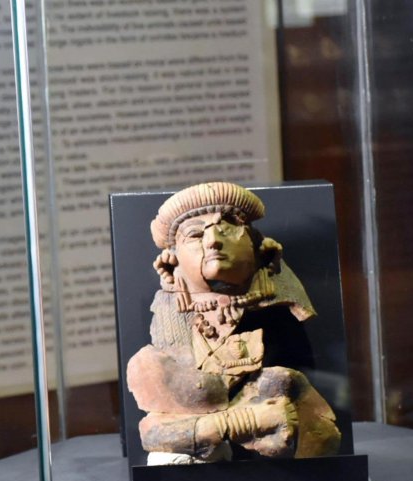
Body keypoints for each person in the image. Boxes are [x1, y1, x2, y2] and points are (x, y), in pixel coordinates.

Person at [126, 182, 341, 465]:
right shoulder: (159, 356)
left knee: (281, 381)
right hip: (216, 426)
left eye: (226, 229)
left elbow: (318, 434)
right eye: (195, 234)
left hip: (281, 447)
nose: (212, 241)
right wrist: (245, 421)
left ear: (261, 249)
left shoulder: (278, 323)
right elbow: (153, 431)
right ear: (171, 261)